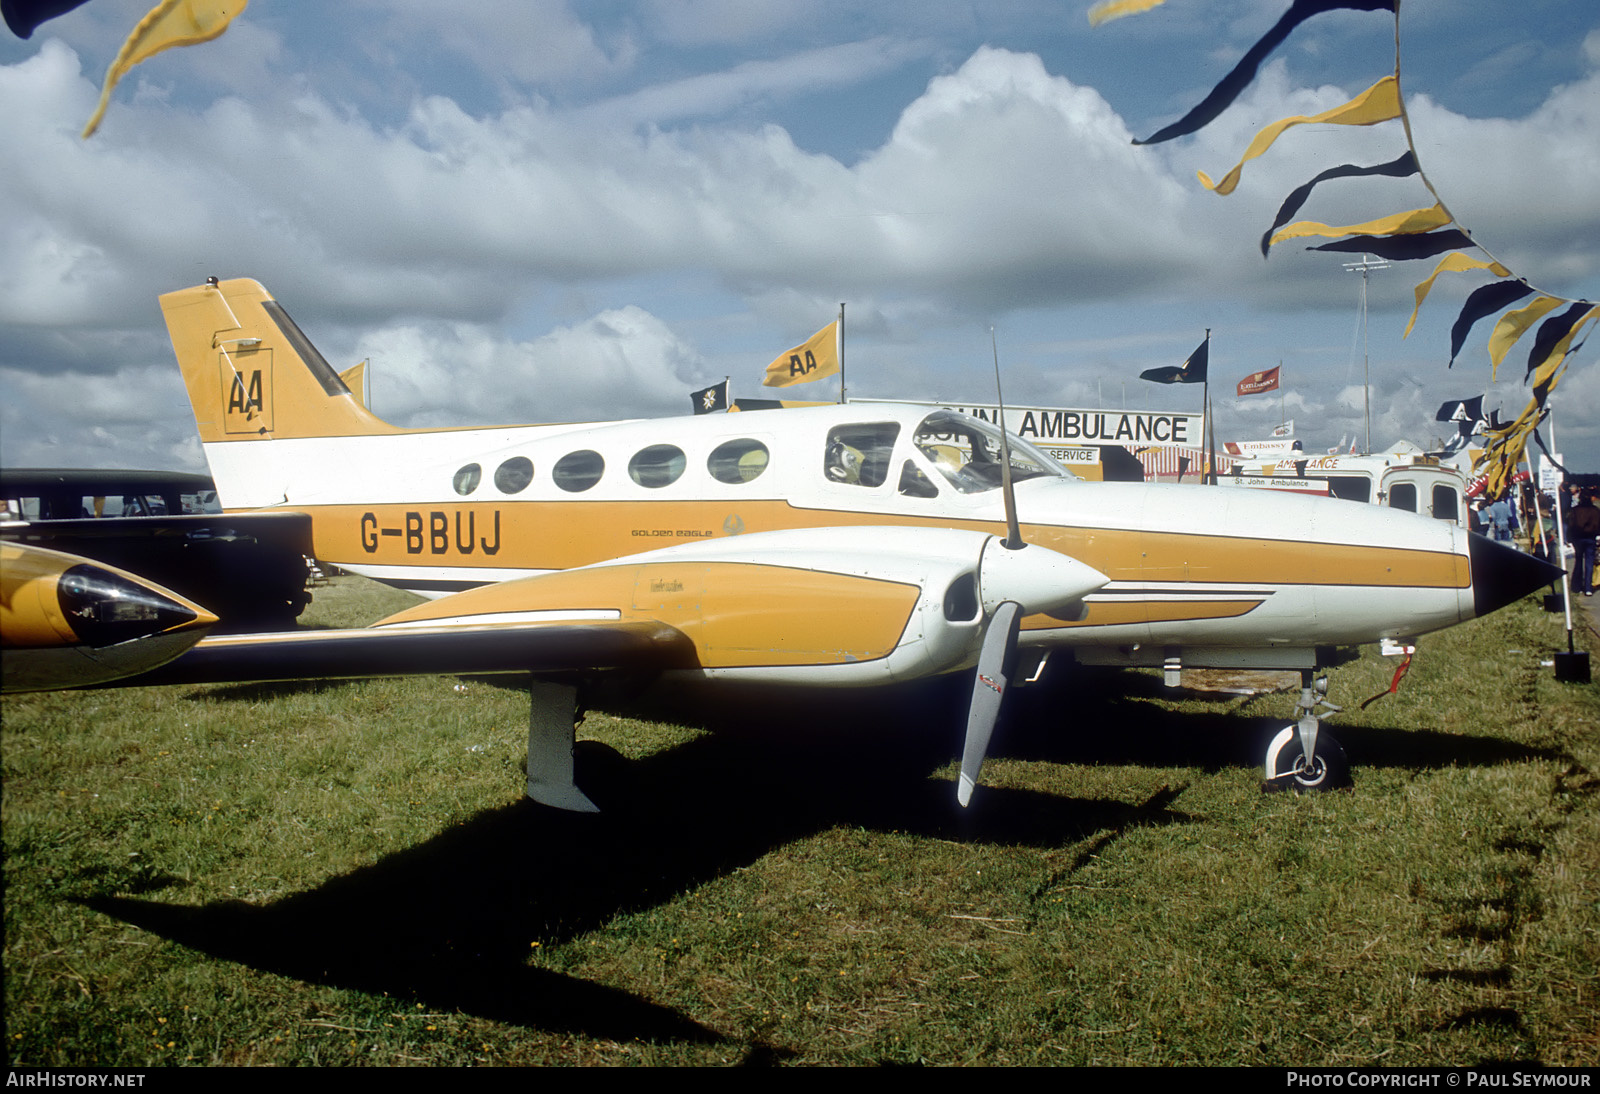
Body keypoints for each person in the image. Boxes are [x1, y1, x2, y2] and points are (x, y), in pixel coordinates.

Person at [1566, 489, 1599, 597]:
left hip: (1578, 538)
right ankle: (1588, 588)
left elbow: (1570, 524)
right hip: (1591, 538)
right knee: (1589, 563)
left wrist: (1569, 539)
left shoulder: (1575, 510)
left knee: (1578, 561)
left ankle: (1577, 586)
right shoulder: (1595, 510)